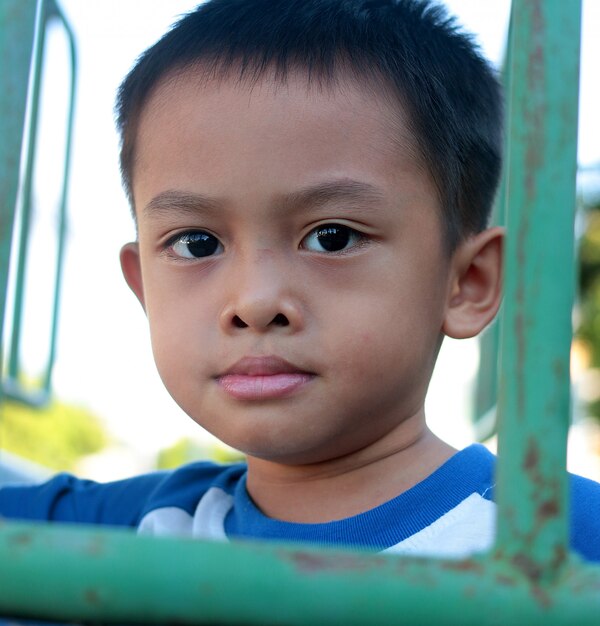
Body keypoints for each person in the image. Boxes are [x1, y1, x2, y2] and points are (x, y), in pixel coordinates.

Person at [1, 0, 599, 561]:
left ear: (468, 282)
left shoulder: (562, 542)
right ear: (143, 289)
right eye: (196, 243)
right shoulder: (139, 528)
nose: (255, 303)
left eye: (332, 237)